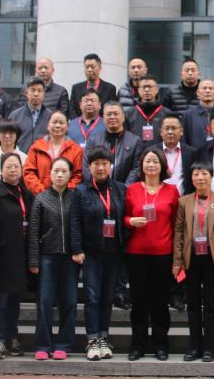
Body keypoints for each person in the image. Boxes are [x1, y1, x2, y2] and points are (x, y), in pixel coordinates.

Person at [124, 148, 181, 360]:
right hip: (136, 253)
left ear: (162, 166)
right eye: (147, 161)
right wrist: (131, 221)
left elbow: (176, 224)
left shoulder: (172, 191)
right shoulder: (132, 190)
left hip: (162, 253)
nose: (151, 165)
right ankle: (137, 345)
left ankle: (160, 344)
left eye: (155, 161)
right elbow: (123, 218)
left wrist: (176, 257)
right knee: (139, 302)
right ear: (141, 165)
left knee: (160, 302)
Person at [71, 150, 127, 360]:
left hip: (114, 253)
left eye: (105, 163)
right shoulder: (81, 191)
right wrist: (77, 249)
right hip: (91, 253)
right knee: (92, 298)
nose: (101, 167)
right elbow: (75, 222)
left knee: (107, 297)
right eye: (97, 164)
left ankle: (104, 337)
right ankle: (92, 339)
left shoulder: (119, 189)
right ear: (90, 167)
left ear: (110, 166)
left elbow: (124, 217)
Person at [173, 162, 214, 362]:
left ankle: (209, 348)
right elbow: (179, 232)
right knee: (193, 306)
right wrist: (177, 261)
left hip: (212, 258)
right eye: (196, 174)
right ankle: (194, 347)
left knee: (211, 306)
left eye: (204, 173)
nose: (200, 178)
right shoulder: (184, 201)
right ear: (191, 179)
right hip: (191, 259)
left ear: (211, 177)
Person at [0, 152, 34, 360]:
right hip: (1, 257)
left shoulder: (26, 194)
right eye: (8, 166)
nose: (13, 170)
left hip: (19, 256)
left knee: (14, 300)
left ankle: (12, 336)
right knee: (0, 300)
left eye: (16, 166)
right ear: (1, 170)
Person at [27, 157, 78, 361]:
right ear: (50, 174)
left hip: (70, 259)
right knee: (45, 301)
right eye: (56, 171)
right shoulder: (41, 199)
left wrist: (79, 251)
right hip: (47, 257)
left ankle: (63, 344)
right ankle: (43, 344)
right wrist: (33, 261)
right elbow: (33, 232)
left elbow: (78, 228)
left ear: (70, 174)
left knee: (69, 301)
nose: (59, 175)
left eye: (64, 171)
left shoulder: (75, 198)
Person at [23, 111, 84, 194]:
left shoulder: (76, 150)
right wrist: (43, 193)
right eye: (54, 122)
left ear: (67, 127)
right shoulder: (36, 147)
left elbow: (78, 175)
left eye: (61, 123)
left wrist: (64, 193)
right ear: (48, 125)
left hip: (67, 197)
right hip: (40, 196)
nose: (57, 125)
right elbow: (29, 173)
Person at [87, 101, 145, 184]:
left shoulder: (135, 141)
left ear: (123, 117)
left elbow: (137, 168)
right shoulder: (93, 140)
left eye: (116, 114)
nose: (112, 117)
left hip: (125, 188)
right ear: (103, 118)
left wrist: (125, 188)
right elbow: (87, 166)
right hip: (98, 189)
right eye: (109, 114)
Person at [9, 77, 54, 152]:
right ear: (26, 92)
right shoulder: (15, 116)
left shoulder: (51, 116)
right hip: (21, 157)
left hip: (43, 156)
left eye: (39, 91)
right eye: (33, 90)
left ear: (44, 93)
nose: (36, 94)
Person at [124, 75, 171, 148]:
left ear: (157, 90)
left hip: (160, 153)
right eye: (144, 87)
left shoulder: (167, 113)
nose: (146, 90)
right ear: (138, 90)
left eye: (150, 87)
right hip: (136, 153)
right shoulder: (129, 114)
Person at [181, 79, 214, 149]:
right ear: (198, 92)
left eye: (210, 88)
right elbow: (184, 140)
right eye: (204, 88)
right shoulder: (188, 115)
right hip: (196, 154)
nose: (207, 91)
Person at [69, 53, 118, 119]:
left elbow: (111, 110)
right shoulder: (76, 88)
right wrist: (79, 123)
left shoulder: (110, 89)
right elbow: (72, 110)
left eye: (92, 67)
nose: (89, 70)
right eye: (87, 67)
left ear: (100, 68)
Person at [0, 121, 27, 190]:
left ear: (17, 135)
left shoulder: (24, 158)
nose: (7, 136)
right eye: (4, 133)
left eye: (11, 133)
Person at [158, 114, 195, 195]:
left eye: (173, 128)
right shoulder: (153, 152)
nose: (170, 132)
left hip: (183, 199)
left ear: (181, 131)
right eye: (167, 128)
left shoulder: (191, 153)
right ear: (161, 132)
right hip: (159, 200)